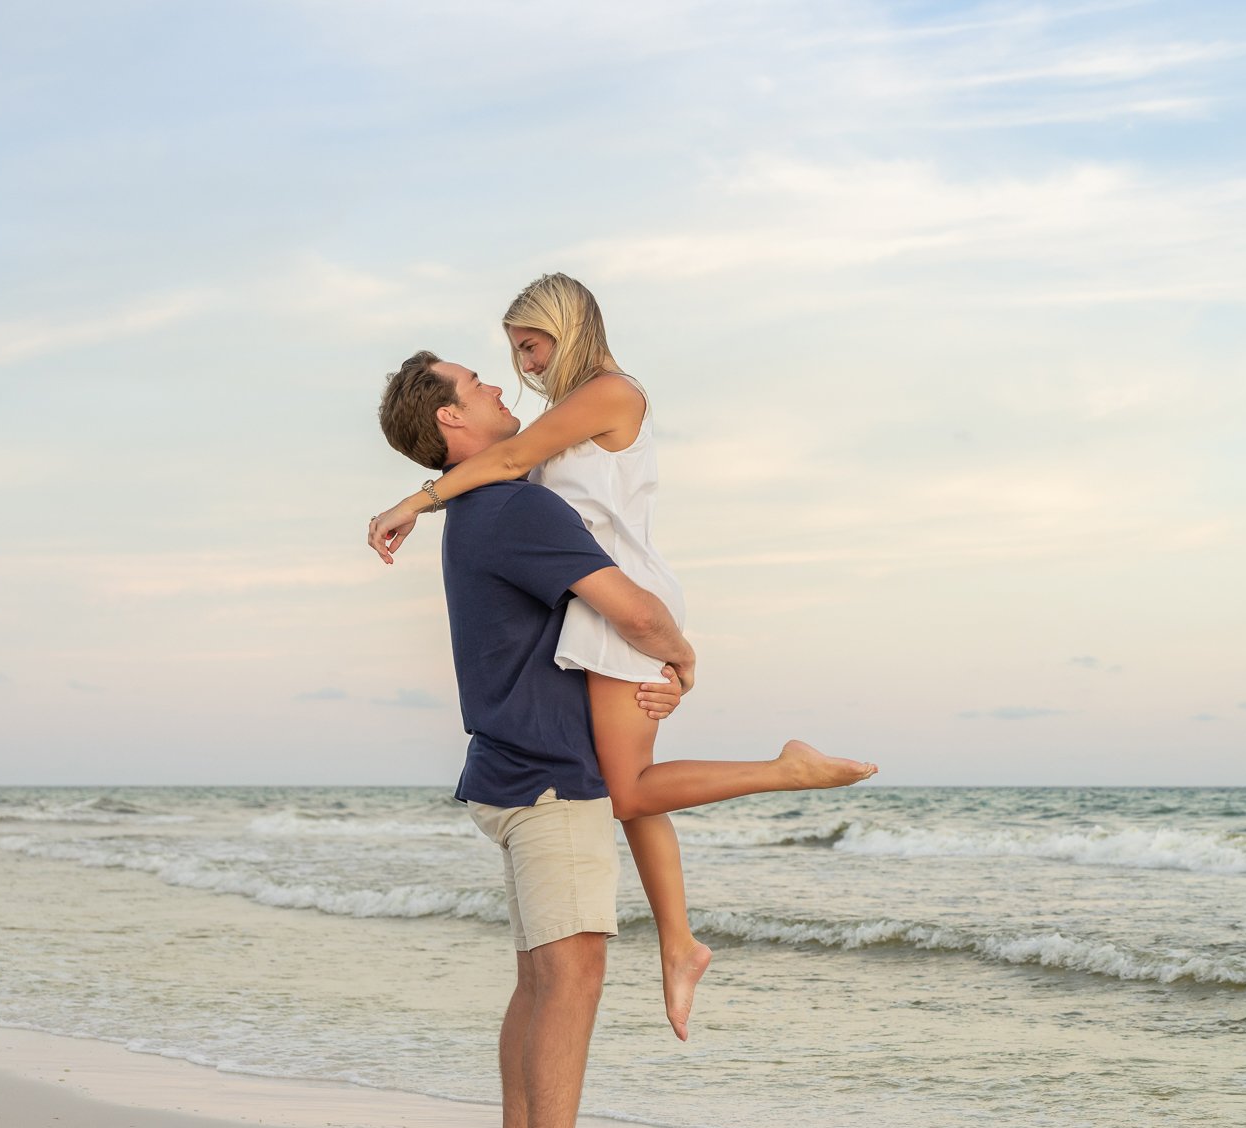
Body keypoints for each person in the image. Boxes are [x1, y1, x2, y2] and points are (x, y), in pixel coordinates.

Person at [367, 274, 876, 1045]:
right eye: (507, 355)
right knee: (628, 787)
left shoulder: (610, 393)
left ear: (566, 326)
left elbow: (512, 466)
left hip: (626, 603)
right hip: (603, 605)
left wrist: (415, 501)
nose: (521, 366)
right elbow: (515, 470)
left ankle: (786, 771)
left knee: (629, 792)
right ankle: (680, 943)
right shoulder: (563, 414)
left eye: (529, 345)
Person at [377, 349, 686, 1128]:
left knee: (536, 982)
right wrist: (686, 659)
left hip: (511, 772)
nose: (501, 388)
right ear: (450, 421)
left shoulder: (475, 509)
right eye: (479, 384)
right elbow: (632, 610)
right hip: (549, 775)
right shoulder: (514, 504)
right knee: (572, 977)